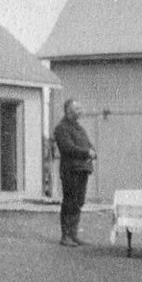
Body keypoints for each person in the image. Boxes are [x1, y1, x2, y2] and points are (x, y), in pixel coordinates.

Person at [53, 99, 97, 247]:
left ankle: (73, 234)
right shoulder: (62, 128)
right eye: (77, 109)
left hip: (82, 169)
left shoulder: (79, 128)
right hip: (70, 170)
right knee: (70, 202)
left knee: (79, 201)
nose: (80, 111)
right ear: (68, 111)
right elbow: (68, 148)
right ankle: (65, 236)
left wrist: (93, 151)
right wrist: (87, 152)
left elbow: (88, 144)